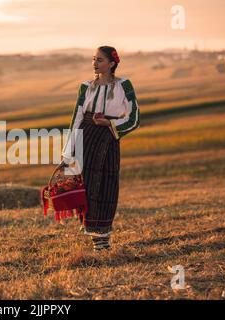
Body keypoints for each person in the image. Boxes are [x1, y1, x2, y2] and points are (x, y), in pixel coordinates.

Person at [59, 45, 140, 251]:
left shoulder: (124, 85)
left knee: (106, 186)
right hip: (86, 137)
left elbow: (134, 117)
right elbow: (76, 118)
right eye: (93, 59)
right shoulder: (85, 87)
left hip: (108, 138)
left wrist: (111, 125)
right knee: (86, 187)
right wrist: (68, 153)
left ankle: (103, 238)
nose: (95, 63)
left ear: (112, 64)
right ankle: (96, 240)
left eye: (100, 60)